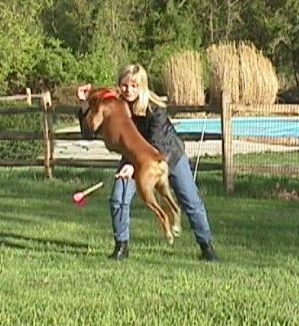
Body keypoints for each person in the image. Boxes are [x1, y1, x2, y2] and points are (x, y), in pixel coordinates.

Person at [77, 63, 218, 262]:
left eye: (134, 85)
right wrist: (84, 105)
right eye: (124, 85)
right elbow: (88, 133)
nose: (129, 90)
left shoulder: (155, 108)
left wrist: (134, 166)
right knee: (119, 198)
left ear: (142, 85)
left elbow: (156, 143)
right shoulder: (116, 105)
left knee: (191, 201)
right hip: (135, 158)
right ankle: (121, 247)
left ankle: (207, 248)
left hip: (167, 155)